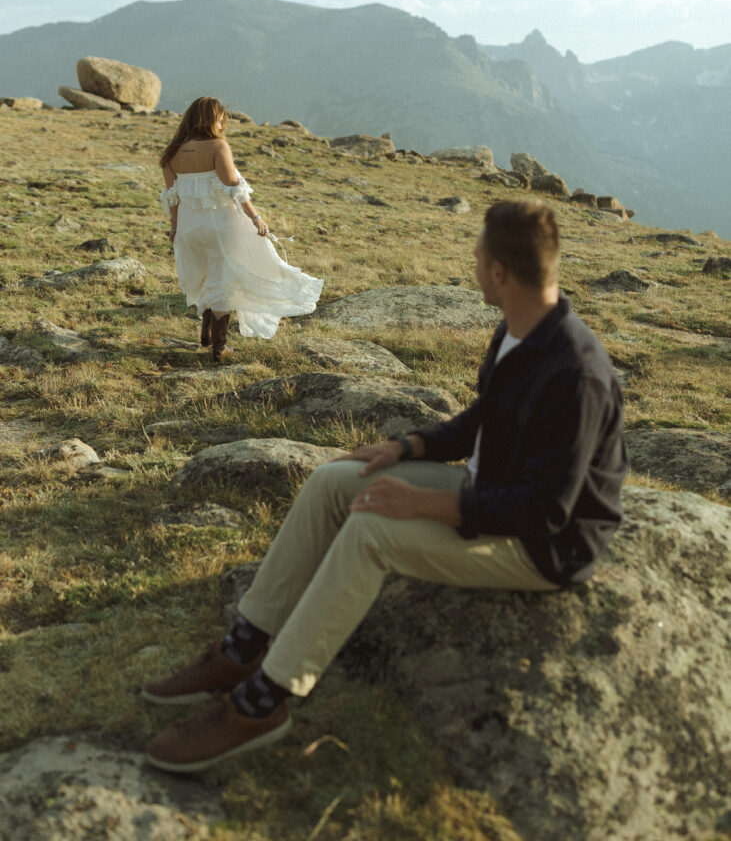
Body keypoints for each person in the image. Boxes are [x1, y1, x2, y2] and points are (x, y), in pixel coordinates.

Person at [144, 199, 627, 773]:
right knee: (335, 481)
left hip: (544, 545)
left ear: (499, 272)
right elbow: (487, 418)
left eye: (478, 253)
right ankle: (244, 647)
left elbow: (546, 511)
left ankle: (263, 703)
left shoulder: (577, 374)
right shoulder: (521, 329)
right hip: (487, 486)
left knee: (373, 529)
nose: (472, 260)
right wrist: (407, 448)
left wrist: (422, 502)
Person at [159, 96, 323, 361]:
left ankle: (208, 334)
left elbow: (172, 198)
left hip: (190, 230)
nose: (223, 121)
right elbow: (234, 189)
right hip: (220, 228)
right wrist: (256, 218)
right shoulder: (217, 146)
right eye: (221, 116)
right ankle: (219, 348)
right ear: (212, 119)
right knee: (222, 279)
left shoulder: (172, 152)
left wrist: (175, 230)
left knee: (206, 278)